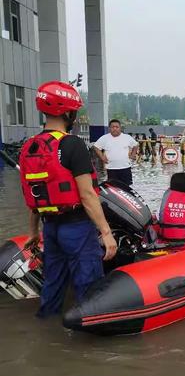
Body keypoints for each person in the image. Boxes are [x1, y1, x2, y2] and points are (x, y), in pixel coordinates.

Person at [19, 81, 117, 318]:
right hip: (77, 228)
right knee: (88, 285)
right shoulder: (72, 144)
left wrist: (33, 233)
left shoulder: (29, 147)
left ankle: (46, 323)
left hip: (50, 228)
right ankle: (90, 340)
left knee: (53, 283)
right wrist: (106, 232)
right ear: (67, 112)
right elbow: (87, 195)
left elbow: (34, 197)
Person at [93, 119, 138, 187]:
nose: (115, 129)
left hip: (125, 167)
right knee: (113, 187)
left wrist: (132, 155)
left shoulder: (127, 137)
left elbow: (136, 145)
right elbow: (96, 147)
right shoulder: (105, 138)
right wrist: (102, 157)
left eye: (117, 127)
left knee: (126, 187)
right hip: (111, 168)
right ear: (109, 128)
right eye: (112, 127)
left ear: (120, 128)